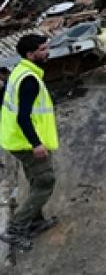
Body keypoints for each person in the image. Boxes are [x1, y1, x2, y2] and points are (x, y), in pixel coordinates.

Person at [0, 35, 59, 252]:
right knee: (45, 182)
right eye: (43, 49)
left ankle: (35, 221)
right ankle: (15, 229)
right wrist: (36, 144)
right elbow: (23, 117)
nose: (47, 52)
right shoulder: (29, 80)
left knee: (36, 178)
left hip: (14, 138)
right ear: (30, 55)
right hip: (24, 142)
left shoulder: (19, 70)